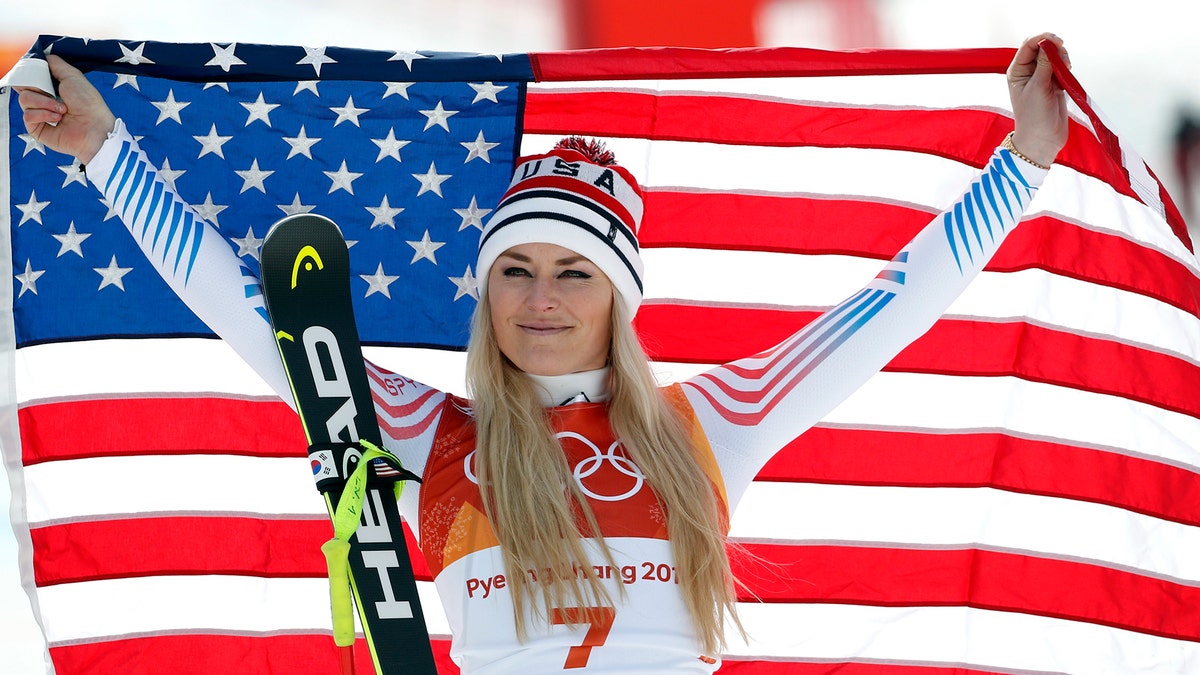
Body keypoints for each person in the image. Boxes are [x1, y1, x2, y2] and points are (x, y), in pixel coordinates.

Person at [17, 32, 1069, 674]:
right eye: (513, 271)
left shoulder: (710, 423)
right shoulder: (435, 435)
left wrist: (1022, 164)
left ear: (621, 296)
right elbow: (252, 312)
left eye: (574, 272)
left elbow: (889, 308)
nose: (539, 299)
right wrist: (105, 152)